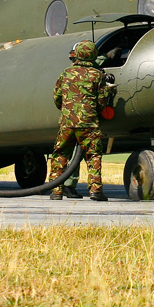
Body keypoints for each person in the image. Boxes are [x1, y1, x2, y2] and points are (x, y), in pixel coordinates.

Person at [48, 40, 110, 201]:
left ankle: (56, 190)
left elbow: (57, 98)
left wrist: (68, 111)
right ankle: (95, 191)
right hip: (89, 123)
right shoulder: (98, 75)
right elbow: (102, 101)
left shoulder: (66, 73)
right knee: (93, 155)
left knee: (61, 154)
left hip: (67, 122)